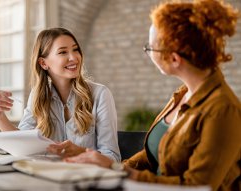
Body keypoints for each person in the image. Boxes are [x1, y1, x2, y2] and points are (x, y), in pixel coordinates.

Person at [65, 0, 241, 190]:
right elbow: (151, 156)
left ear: (174, 59)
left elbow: (197, 186)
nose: (147, 53)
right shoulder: (182, 95)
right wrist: (106, 166)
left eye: (150, 48)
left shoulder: (223, 110)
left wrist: (120, 172)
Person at [0, 27, 120, 162]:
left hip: (84, 179)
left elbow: (113, 158)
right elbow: (22, 144)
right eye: (63, 52)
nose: (74, 57)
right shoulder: (38, 96)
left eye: (75, 50)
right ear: (43, 63)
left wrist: (80, 152)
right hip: (47, 178)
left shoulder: (100, 95)